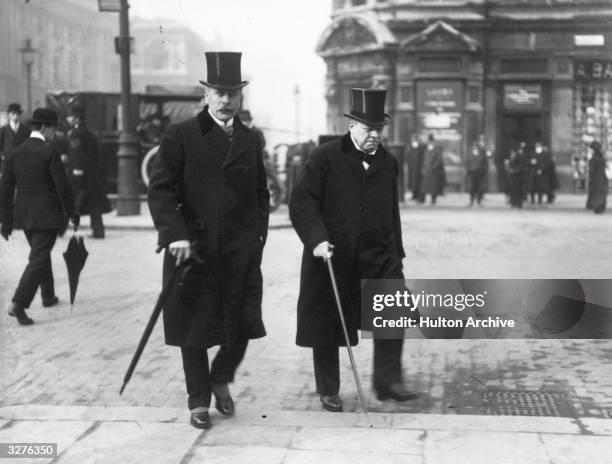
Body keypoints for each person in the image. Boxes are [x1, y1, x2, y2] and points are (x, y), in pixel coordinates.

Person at [148, 52, 270, 429]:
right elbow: (161, 190)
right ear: (206, 94)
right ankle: (198, 399)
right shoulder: (180, 135)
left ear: (241, 96)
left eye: (232, 93)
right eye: (218, 92)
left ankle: (220, 376)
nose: (225, 100)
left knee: (243, 323)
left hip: (237, 251)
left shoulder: (251, 139)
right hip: (193, 250)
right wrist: (175, 236)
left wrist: (257, 239)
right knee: (194, 328)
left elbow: (260, 193)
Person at [289, 88, 418, 413]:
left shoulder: (388, 163)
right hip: (333, 253)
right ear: (350, 126)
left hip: (378, 253)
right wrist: (316, 238)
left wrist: (396, 254)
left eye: (379, 128)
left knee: (393, 307)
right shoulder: (325, 157)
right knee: (329, 321)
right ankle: (328, 389)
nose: (374, 134)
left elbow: (391, 211)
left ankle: (387, 381)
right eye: (367, 128)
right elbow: (301, 202)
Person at [0, 108, 77, 325]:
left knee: (40, 254)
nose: (55, 133)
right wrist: (72, 213)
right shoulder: (49, 152)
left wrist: (6, 221)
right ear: (44, 127)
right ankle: (19, 303)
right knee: (38, 258)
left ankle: (48, 295)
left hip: (25, 217)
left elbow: (5, 189)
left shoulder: (16, 152)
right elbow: (62, 187)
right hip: (48, 216)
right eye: (54, 128)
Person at [66, 106, 107, 238]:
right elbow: (96, 154)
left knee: (69, 201)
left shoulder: (75, 134)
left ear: (76, 118)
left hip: (79, 174)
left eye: (70, 116)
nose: (68, 118)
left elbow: (77, 154)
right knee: (93, 204)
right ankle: (98, 231)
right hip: (91, 174)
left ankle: (59, 229)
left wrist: (77, 170)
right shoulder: (88, 132)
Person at [0, 103, 31, 176]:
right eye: (13, 113)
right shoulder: (3, 130)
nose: (15, 116)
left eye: (18, 114)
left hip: (22, 163)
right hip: (6, 162)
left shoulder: (26, 129)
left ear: (20, 115)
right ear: (9, 115)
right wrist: (2, 155)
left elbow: (29, 145)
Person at [420, 133, 445, 204]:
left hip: (434, 171)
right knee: (424, 187)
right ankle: (422, 199)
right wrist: (421, 138)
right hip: (426, 170)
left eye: (431, 141)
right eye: (429, 141)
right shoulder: (426, 148)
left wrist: (433, 167)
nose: (429, 142)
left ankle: (433, 199)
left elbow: (439, 160)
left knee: (433, 187)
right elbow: (419, 142)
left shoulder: (437, 148)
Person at [465, 136, 490, 206]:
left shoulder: (483, 149)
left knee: (479, 187)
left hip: (480, 171)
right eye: (481, 140)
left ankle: (477, 201)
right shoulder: (476, 149)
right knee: (473, 187)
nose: (483, 142)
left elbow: (488, 157)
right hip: (474, 171)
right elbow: (474, 159)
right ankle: (473, 201)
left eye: (484, 140)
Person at [586, 141, 609, 214]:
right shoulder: (601, 158)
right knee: (601, 192)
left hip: (596, 178)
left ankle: (598, 207)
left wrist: (590, 176)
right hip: (602, 177)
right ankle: (600, 207)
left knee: (597, 192)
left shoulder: (594, 159)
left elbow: (592, 170)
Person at [507, 143, 529, 209]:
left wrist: (515, 170)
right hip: (515, 176)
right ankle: (514, 203)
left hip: (520, 176)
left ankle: (518, 203)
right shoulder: (516, 156)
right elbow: (512, 164)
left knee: (519, 190)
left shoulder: (522, 157)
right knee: (514, 190)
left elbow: (522, 166)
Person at [406, 134, 425, 201]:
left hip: (418, 167)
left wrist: (422, 167)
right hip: (412, 167)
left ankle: (418, 195)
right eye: (412, 138)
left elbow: (423, 157)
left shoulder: (421, 146)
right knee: (412, 182)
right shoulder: (410, 146)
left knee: (418, 182)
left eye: (414, 138)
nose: (412, 139)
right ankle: (414, 195)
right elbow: (408, 156)